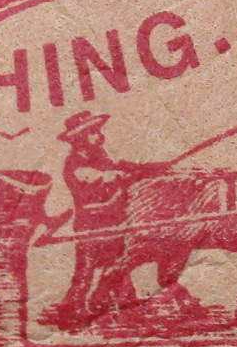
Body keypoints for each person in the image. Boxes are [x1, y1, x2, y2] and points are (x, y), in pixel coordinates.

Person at [47, 110, 168, 329]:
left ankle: (118, 309)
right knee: (86, 273)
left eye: (98, 130)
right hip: (92, 227)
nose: (99, 135)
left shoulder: (100, 157)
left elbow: (118, 168)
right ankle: (70, 313)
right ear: (79, 138)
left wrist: (146, 169)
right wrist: (121, 175)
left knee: (118, 266)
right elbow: (101, 178)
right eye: (93, 132)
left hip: (115, 223)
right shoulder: (74, 164)